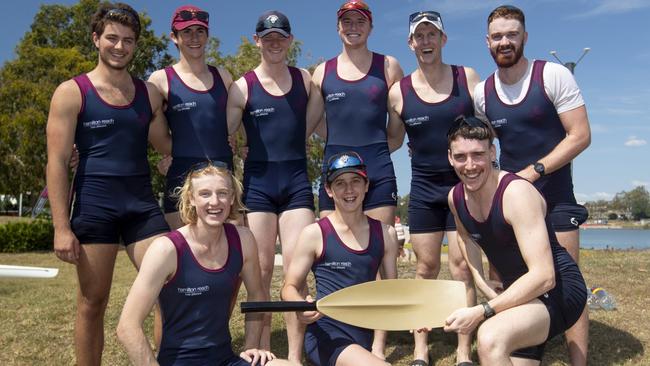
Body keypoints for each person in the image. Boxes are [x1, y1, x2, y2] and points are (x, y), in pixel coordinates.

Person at [46, 3, 171, 365]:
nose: (120, 47)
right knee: (92, 301)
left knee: (168, 286)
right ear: (96, 39)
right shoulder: (71, 92)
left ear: (135, 45)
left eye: (128, 40)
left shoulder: (148, 94)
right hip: (94, 204)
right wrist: (60, 227)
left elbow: (167, 145)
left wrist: (217, 144)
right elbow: (55, 162)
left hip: (141, 205)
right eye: (112, 38)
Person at [473, 5, 592, 365]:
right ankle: (523, 349)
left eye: (512, 34)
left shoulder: (552, 75)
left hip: (555, 198)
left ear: (525, 37)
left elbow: (580, 136)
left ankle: (578, 361)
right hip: (511, 205)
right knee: (510, 278)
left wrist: (533, 172)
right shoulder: (482, 94)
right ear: (487, 42)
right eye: (497, 36)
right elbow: (487, 150)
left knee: (567, 281)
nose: (505, 42)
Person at [443, 115, 587, 365]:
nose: (470, 165)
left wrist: (485, 309)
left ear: (492, 152)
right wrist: (481, 282)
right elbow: (466, 240)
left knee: (489, 338)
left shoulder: (516, 193)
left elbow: (544, 276)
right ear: (449, 157)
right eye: (460, 157)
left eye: (478, 154)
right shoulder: (455, 198)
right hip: (518, 294)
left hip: (559, 291)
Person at [117, 162, 292, 366]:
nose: (215, 202)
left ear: (232, 198)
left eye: (222, 193)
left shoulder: (243, 240)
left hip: (225, 359)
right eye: (205, 194)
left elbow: (257, 295)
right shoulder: (166, 249)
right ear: (191, 198)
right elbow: (127, 326)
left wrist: (250, 347)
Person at [386, 11, 478, 366]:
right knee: (425, 268)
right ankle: (421, 349)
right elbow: (392, 140)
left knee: (462, 268)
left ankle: (463, 350)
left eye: (432, 34)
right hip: (423, 189)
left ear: (443, 39)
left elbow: (488, 129)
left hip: (464, 186)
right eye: (419, 36)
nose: (426, 41)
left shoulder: (465, 78)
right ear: (411, 44)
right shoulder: (399, 93)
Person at [226, 11, 315, 363]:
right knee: (259, 269)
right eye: (268, 37)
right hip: (259, 184)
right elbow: (223, 135)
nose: (275, 42)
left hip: (296, 182)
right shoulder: (242, 86)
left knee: (297, 269)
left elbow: (317, 121)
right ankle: (258, 349)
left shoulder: (306, 80)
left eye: (281, 36)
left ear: (290, 41)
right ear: (256, 41)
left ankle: (294, 355)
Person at [282, 151, 399, 366]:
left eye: (355, 181)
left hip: (363, 335)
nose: (349, 190)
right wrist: (300, 305)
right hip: (326, 334)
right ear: (329, 190)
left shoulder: (386, 234)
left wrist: (378, 347)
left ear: (366, 185)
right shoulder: (314, 234)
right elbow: (289, 287)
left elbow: (389, 295)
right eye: (340, 183)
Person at [308, 0, 404, 227]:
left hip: (378, 168)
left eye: (361, 22)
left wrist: (375, 150)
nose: (354, 27)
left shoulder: (389, 66)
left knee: (381, 248)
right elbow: (311, 122)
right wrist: (337, 143)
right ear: (338, 27)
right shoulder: (322, 72)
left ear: (370, 27)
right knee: (333, 250)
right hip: (334, 167)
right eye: (347, 22)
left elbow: (398, 130)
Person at [148, 5, 234, 230]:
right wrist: (171, 154)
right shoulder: (160, 80)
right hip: (181, 177)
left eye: (200, 31)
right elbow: (138, 124)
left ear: (207, 35)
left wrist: (244, 145)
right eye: (186, 32)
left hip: (224, 174)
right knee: (183, 256)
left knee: (230, 255)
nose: (194, 37)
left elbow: (243, 121)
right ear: (173, 37)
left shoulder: (223, 76)